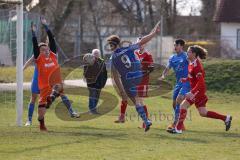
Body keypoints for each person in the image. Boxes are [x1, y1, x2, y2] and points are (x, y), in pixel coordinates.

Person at [108, 21, 160, 132]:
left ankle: (146, 120)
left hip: (127, 81)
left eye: (110, 45)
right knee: (138, 100)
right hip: (139, 76)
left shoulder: (112, 58)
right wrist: (154, 33)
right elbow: (142, 42)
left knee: (136, 101)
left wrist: (121, 90)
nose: (110, 47)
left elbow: (115, 76)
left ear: (114, 45)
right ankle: (146, 121)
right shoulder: (128, 48)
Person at [168, 45, 232, 134]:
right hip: (198, 91)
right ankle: (226, 118)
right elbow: (192, 76)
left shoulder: (197, 65)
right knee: (203, 113)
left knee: (183, 105)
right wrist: (185, 79)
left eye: (189, 52)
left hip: (198, 91)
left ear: (194, 54)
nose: (187, 53)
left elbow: (201, 82)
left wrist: (192, 92)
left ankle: (178, 129)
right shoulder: (191, 63)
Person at [31, 17, 76, 131]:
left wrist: (46, 26)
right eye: (43, 50)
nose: (46, 51)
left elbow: (52, 39)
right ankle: (41, 122)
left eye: (47, 49)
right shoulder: (39, 59)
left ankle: (52, 97)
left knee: (58, 87)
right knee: (41, 112)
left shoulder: (53, 55)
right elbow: (35, 46)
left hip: (56, 84)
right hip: (44, 87)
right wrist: (33, 33)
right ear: (39, 52)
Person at [23, 56, 79, 126]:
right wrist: (22, 70)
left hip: (49, 80)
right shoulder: (37, 54)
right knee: (33, 99)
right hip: (37, 80)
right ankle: (29, 120)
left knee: (61, 93)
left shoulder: (51, 54)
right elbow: (30, 61)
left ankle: (71, 112)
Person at [114, 37, 154, 130]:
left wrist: (148, 68)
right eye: (139, 43)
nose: (140, 45)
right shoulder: (133, 53)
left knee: (139, 100)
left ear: (145, 44)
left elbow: (151, 67)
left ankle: (145, 122)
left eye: (142, 43)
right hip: (132, 79)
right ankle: (123, 117)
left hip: (142, 80)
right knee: (128, 97)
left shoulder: (147, 55)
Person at [160, 39, 190, 131]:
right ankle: (181, 124)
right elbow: (168, 67)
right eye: (174, 45)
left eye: (176, 45)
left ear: (181, 46)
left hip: (186, 83)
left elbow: (193, 65)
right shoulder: (172, 57)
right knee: (174, 104)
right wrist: (163, 75)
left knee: (178, 101)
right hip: (178, 83)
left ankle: (175, 124)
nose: (174, 47)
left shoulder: (186, 56)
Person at [83, 49, 107, 114]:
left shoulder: (102, 62)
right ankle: (92, 110)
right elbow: (85, 72)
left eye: (97, 53)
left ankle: (94, 110)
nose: (96, 54)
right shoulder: (88, 61)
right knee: (92, 96)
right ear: (92, 54)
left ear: (99, 54)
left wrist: (104, 82)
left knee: (96, 97)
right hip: (91, 83)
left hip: (100, 83)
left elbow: (105, 73)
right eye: (95, 53)